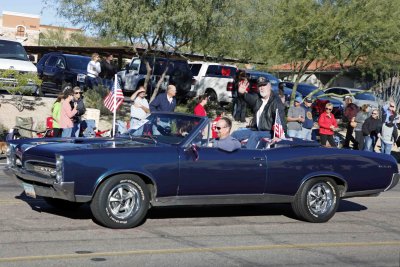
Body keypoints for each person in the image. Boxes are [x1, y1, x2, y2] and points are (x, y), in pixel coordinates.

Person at [231, 76, 286, 149]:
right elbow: (248, 97)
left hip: (269, 132)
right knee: (235, 134)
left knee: (255, 135)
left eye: (264, 85)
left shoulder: (276, 101)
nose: (262, 88)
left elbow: (281, 119)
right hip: (257, 130)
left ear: (270, 86)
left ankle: (247, 157)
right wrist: (242, 93)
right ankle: (230, 155)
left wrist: (279, 136)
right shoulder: (257, 98)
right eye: (260, 86)